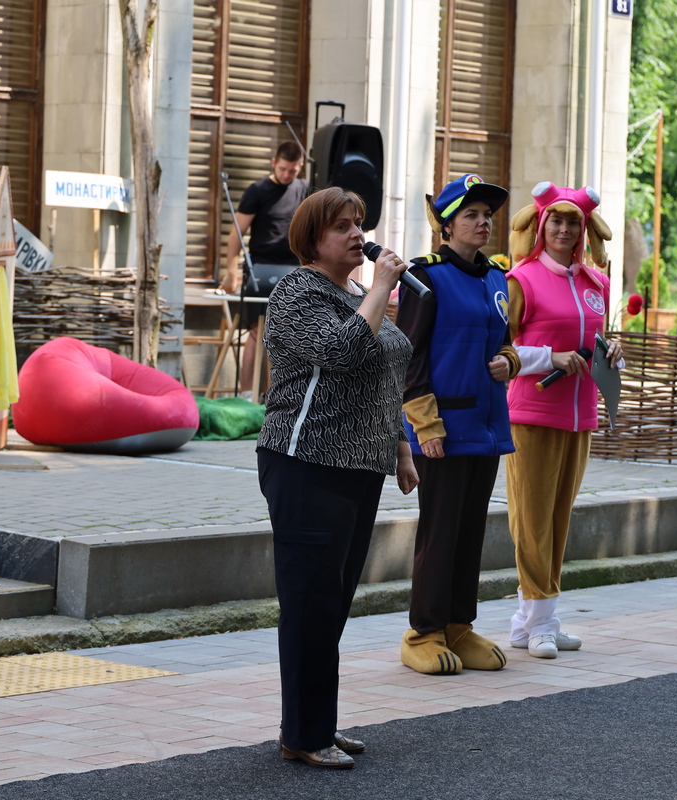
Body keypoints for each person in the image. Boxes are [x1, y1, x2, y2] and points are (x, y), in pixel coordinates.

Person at [256, 186, 418, 769]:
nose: (358, 235)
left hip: (359, 467)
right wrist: (379, 290)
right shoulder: (296, 291)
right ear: (312, 238)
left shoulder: (353, 293)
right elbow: (341, 352)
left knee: (333, 602)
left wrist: (401, 446)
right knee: (310, 603)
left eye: (359, 224)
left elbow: (385, 377)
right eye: (342, 226)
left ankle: (315, 723)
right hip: (307, 463)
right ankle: (304, 733)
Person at [395, 174, 521, 675]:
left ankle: (458, 626)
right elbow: (408, 356)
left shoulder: (496, 277)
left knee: (470, 533)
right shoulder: (425, 276)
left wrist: (510, 361)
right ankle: (423, 632)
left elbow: (504, 340)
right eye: (471, 215)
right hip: (443, 428)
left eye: (487, 215)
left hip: (486, 427)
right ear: (446, 226)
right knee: (440, 533)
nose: (483, 222)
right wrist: (425, 425)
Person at [503, 181, 622, 659]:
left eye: (574, 222)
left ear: (583, 229)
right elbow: (501, 349)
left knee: (557, 520)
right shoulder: (521, 280)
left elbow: (596, 338)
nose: (565, 229)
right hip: (532, 413)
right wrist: (548, 358)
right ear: (541, 224)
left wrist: (612, 350)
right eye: (557, 220)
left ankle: (530, 623)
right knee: (531, 522)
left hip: (580, 416)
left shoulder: (598, 283)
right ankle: (540, 623)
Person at [219, 140, 309, 400]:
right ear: (273, 163)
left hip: (294, 269)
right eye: (283, 169)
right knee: (257, 332)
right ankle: (248, 394)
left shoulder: (304, 189)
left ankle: (281, 395)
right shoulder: (257, 190)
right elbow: (236, 233)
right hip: (260, 269)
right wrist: (231, 271)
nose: (287, 175)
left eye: (293, 170)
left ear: (301, 167)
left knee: (290, 332)